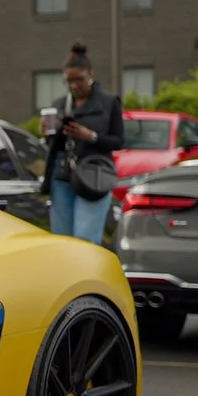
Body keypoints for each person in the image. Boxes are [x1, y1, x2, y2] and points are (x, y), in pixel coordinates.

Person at [43, 41, 126, 244]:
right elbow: (54, 145)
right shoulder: (60, 104)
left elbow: (119, 141)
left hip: (93, 172)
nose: (74, 86)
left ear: (91, 75)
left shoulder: (109, 102)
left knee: (85, 237)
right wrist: (48, 132)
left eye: (79, 80)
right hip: (62, 172)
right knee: (61, 237)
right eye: (69, 81)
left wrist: (92, 136)